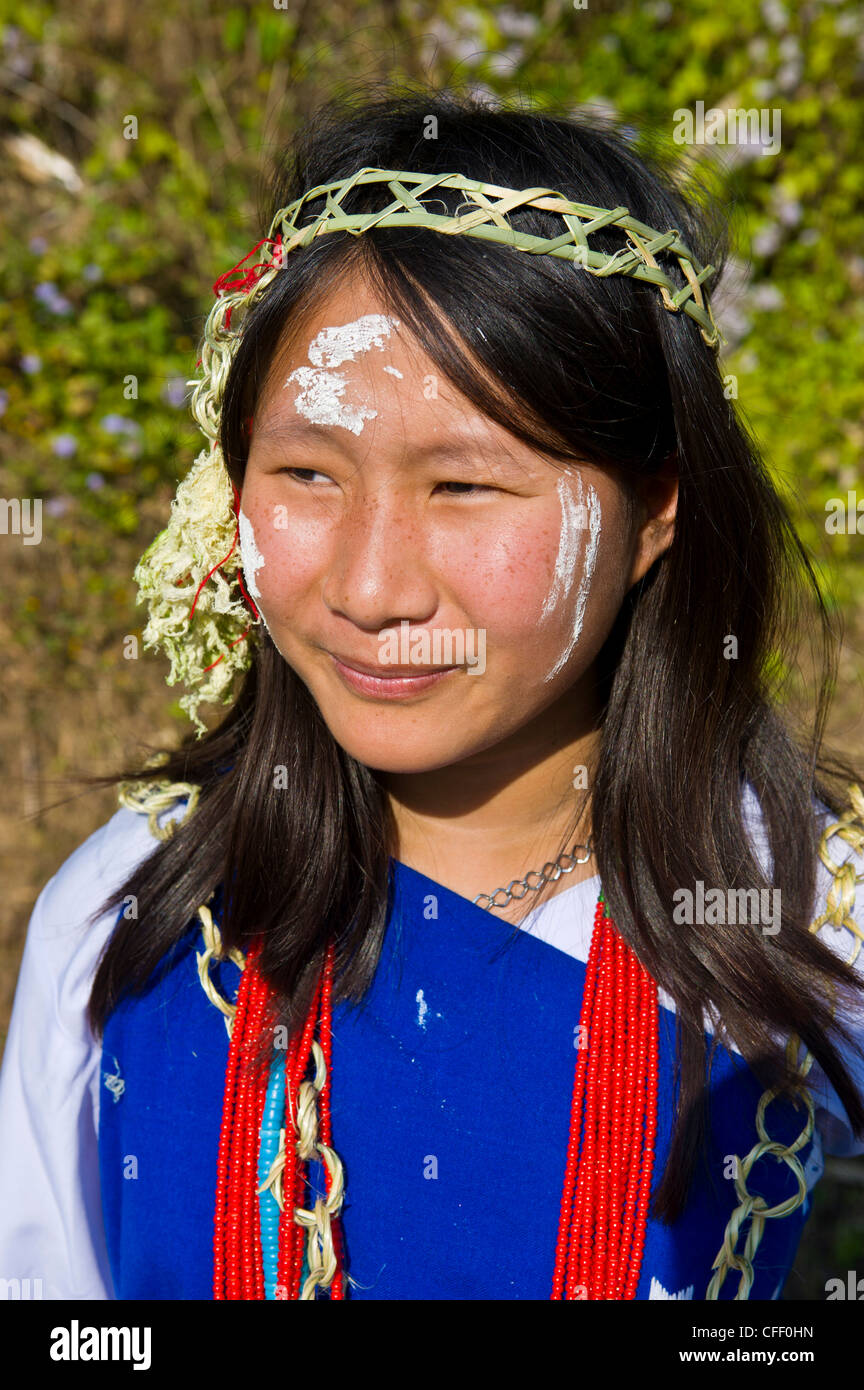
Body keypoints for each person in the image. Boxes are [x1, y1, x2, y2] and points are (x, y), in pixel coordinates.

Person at [1, 86, 863, 1302]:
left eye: (463, 486)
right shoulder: (126, 917)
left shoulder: (805, 926)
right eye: (305, 471)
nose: (368, 585)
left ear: (654, 510)